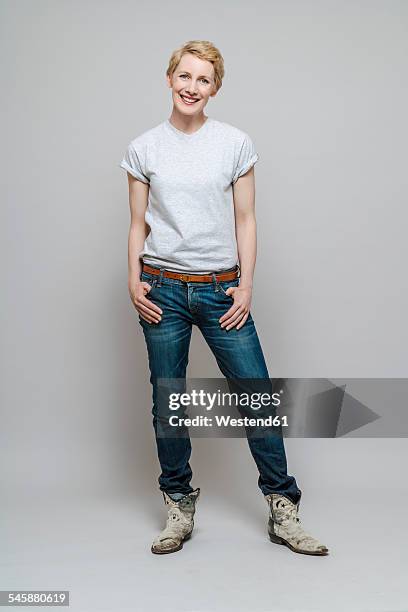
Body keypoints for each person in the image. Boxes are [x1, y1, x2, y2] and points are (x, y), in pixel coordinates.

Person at [119, 40, 329, 556]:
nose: (192, 87)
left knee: (256, 396)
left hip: (220, 290)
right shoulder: (144, 148)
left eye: (204, 80)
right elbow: (136, 223)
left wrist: (246, 284)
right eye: (185, 76)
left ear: (216, 89)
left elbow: (246, 219)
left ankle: (283, 505)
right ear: (169, 78)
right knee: (169, 399)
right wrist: (132, 279)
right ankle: (177, 502)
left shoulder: (234, 144)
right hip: (162, 288)